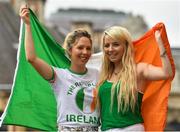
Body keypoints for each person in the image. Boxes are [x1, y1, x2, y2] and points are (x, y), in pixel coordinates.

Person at [19, 5, 99, 131]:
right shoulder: (59, 76)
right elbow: (31, 58)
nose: (85, 52)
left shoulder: (98, 74)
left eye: (88, 48)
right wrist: (28, 25)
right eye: (80, 47)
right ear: (70, 50)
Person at [97, 26, 173, 131]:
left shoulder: (138, 70)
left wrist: (160, 43)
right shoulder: (104, 73)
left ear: (126, 46)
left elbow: (167, 73)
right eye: (106, 45)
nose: (110, 49)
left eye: (116, 44)